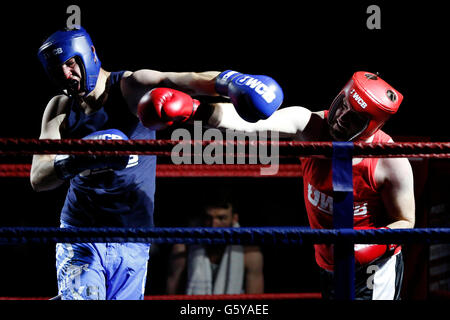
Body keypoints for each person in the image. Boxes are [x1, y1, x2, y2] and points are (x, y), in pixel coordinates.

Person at [30, 26, 283, 300]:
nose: (67, 74)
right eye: (58, 70)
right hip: (81, 233)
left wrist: (233, 81)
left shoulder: (130, 86)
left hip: (133, 235)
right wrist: (79, 158)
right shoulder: (60, 109)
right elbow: (37, 178)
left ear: (89, 54)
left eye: (70, 63)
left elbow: (189, 80)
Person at [152, 70, 416, 300]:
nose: (340, 118)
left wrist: (364, 248)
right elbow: (250, 125)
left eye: (354, 119)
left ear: (372, 127)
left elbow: (406, 222)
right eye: (342, 105)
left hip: (374, 270)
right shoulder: (310, 125)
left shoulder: (390, 161)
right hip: (328, 263)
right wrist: (196, 109)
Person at [166, 190, 264, 295]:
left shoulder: (250, 255)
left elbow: (255, 303)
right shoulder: (183, 250)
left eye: (221, 218)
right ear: (202, 218)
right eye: (208, 218)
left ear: (234, 219)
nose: (214, 225)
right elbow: (171, 295)